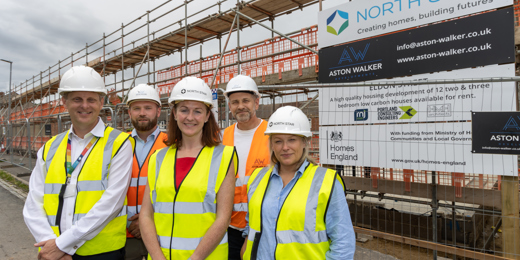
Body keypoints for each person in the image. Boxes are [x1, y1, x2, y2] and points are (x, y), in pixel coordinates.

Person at [23, 66, 135, 260]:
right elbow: (33, 202)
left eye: (91, 99)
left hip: (101, 253)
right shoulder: (50, 147)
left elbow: (112, 203)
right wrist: (50, 244)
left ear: (101, 102)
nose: (85, 106)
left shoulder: (120, 143)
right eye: (77, 99)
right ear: (64, 102)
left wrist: (62, 244)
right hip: (53, 251)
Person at [140, 77, 237, 260]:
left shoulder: (224, 156)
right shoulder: (158, 159)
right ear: (174, 114)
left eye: (198, 111)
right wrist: (157, 256)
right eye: (184, 110)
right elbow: (146, 214)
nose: (190, 117)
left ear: (208, 115)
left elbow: (223, 219)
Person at [241, 106, 356, 260]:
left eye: (292, 140)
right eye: (278, 141)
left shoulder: (326, 182)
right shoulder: (257, 178)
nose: (285, 147)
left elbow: (343, 242)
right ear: (271, 145)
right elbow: (251, 226)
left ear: (304, 142)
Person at [222, 75, 270, 259]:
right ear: (230, 106)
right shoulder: (222, 138)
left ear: (256, 103)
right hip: (229, 225)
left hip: (262, 225)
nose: (240, 106)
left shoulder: (271, 135)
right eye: (235, 102)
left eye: (245, 101)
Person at [125, 84, 168, 260]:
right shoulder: (118, 144)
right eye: (137, 108)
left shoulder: (172, 144)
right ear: (129, 112)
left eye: (148, 108)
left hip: (160, 232)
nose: (142, 113)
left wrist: (147, 223)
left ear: (158, 111)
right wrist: (130, 222)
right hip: (125, 233)